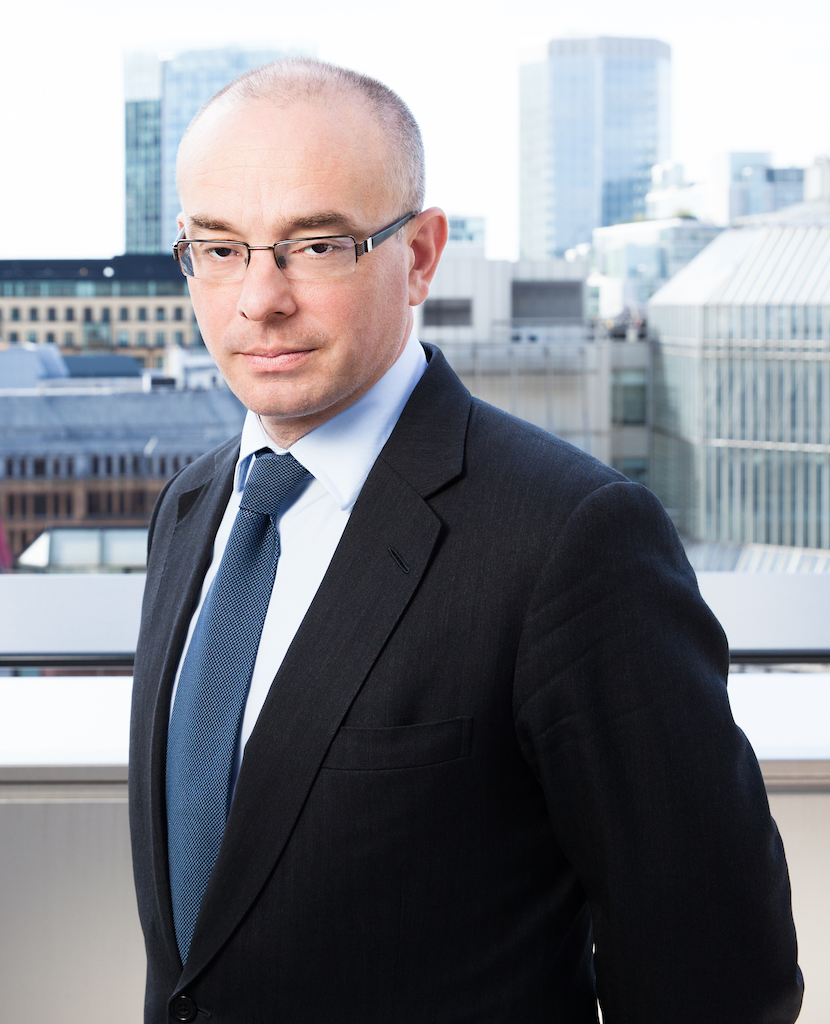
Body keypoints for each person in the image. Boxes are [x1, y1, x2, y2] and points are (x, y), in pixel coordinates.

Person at [129, 58, 803, 1024]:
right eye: (221, 247)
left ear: (423, 255)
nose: (258, 299)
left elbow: (720, 971)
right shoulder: (194, 511)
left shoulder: (571, 538)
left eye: (317, 246)